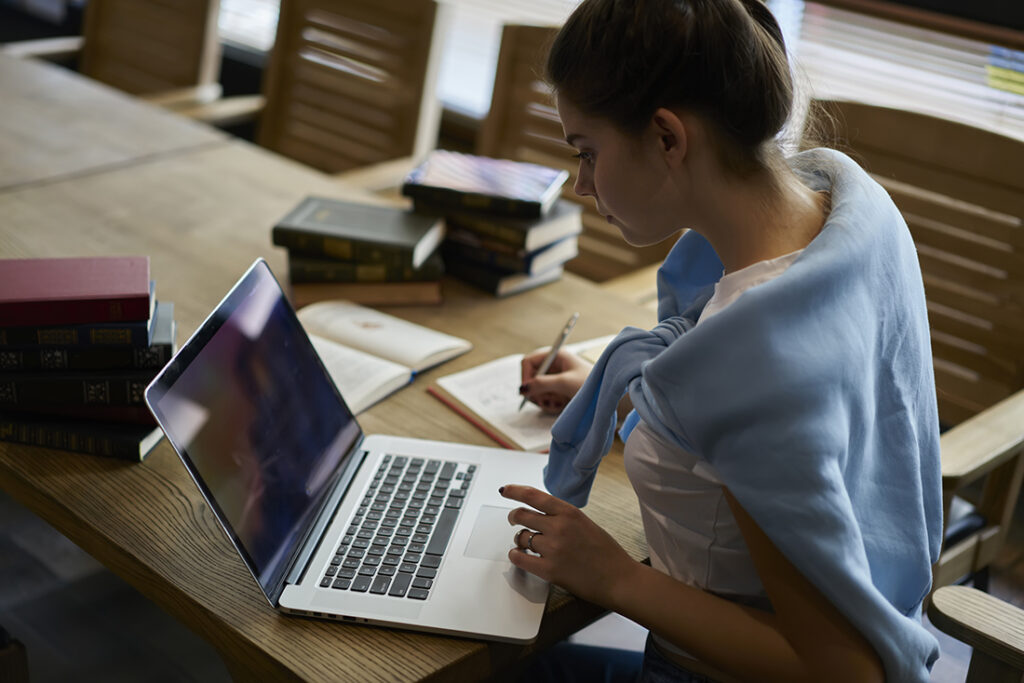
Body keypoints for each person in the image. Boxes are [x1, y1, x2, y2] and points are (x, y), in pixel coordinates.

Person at [502, 0, 944, 681]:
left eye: (587, 153)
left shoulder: (753, 366)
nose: (583, 184)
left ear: (667, 139)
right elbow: (789, 441)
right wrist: (620, 390)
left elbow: (845, 671)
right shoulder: (848, 215)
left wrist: (613, 577)